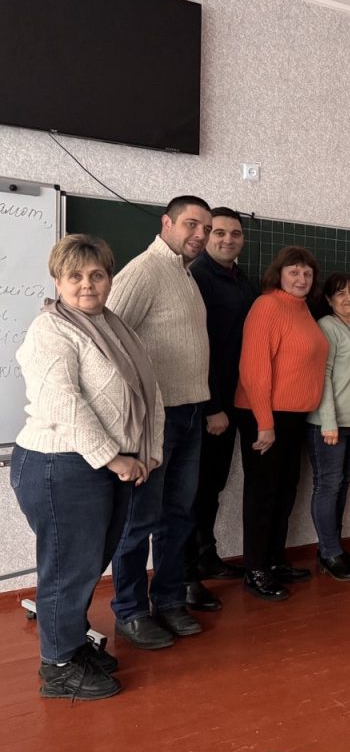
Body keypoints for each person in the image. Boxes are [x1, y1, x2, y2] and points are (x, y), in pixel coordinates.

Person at [12, 235, 163, 699]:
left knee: (87, 565)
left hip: (104, 467)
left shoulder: (115, 327)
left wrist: (149, 452)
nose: (87, 284)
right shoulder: (51, 329)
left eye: (97, 274)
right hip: (59, 465)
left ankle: (73, 646)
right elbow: (65, 403)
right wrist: (115, 458)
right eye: (74, 276)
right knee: (68, 570)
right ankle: (58, 667)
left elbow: (149, 393)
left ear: (110, 278)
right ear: (57, 281)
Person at [107, 195, 212, 649]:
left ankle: (169, 601)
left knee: (177, 517)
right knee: (138, 521)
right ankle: (130, 612)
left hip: (190, 413)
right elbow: (108, 343)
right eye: (192, 224)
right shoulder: (144, 271)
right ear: (167, 223)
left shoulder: (185, 274)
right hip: (153, 421)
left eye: (206, 228)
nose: (200, 235)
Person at [235, 246, 328, 601]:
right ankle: (255, 569)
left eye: (307, 273)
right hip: (265, 416)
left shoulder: (303, 309)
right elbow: (254, 368)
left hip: (293, 418)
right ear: (279, 274)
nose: (301, 279)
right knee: (263, 494)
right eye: (294, 272)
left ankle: (274, 560)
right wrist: (264, 422)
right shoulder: (267, 306)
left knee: (285, 491)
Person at [185, 207, 258, 611]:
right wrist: (213, 406)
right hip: (207, 406)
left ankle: (206, 555)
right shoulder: (197, 276)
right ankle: (186, 577)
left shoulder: (241, 280)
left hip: (234, 402)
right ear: (207, 236)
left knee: (212, 486)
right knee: (193, 491)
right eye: (219, 233)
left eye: (235, 234)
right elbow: (200, 348)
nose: (228, 240)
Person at [307, 273, 350, 581]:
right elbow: (322, 375)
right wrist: (329, 421)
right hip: (329, 425)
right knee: (328, 486)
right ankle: (329, 552)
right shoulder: (326, 326)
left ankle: (332, 547)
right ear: (328, 300)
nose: (349, 298)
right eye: (340, 294)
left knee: (342, 485)